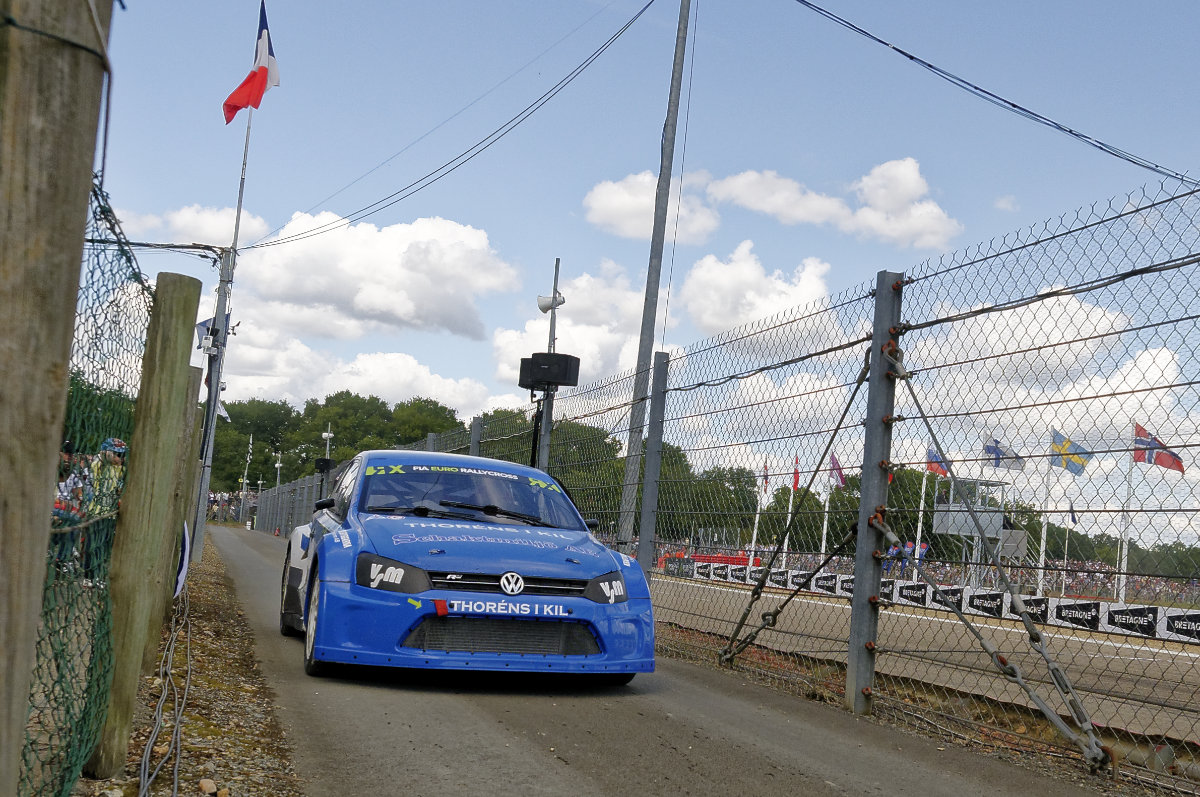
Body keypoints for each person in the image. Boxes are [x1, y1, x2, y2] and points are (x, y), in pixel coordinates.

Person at [82, 437, 127, 585]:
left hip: (109, 513)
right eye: (117, 454)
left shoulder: (120, 469)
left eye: (122, 455)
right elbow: (97, 461)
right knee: (91, 545)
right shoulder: (98, 465)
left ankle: (100, 575)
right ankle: (88, 575)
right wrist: (106, 453)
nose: (119, 458)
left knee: (104, 546)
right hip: (95, 512)